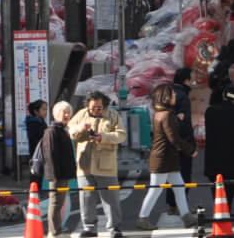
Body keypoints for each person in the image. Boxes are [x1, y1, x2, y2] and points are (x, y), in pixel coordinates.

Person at [136, 85, 198, 230]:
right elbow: (174, 139)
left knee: (179, 186)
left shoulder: (161, 114)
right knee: (156, 189)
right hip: (163, 159)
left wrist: (176, 119)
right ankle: (142, 218)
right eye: (173, 95)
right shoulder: (167, 115)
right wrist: (190, 150)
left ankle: (186, 216)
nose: (175, 97)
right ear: (166, 98)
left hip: (166, 159)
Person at [68, 91, 126, 238]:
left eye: (99, 108)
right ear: (88, 105)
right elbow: (70, 130)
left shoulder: (113, 115)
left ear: (105, 106)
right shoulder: (81, 114)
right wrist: (81, 129)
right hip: (85, 163)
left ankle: (115, 229)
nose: (95, 110)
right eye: (92, 107)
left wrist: (103, 137)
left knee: (111, 198)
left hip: (106, 164)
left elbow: (121, 135)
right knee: (86, 198)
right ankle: (89, 228)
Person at [31, 101, 76, 238]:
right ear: (56, 114)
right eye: (64, 112)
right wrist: (54, 176)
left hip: (64, 174)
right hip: (57, 175)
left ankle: (57, 230)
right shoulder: (51, 131)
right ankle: (55, 232)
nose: (67, 115)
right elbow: (50, 155)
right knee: (55, 204)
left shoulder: (63, 129)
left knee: (59, 203)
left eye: (69, 112)